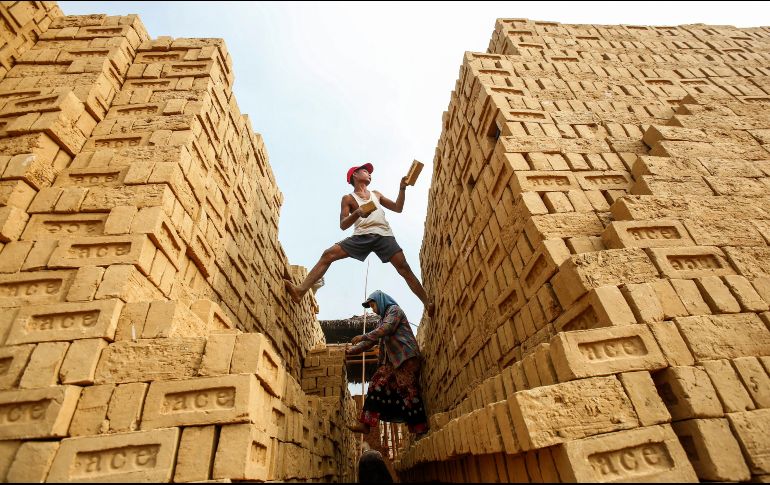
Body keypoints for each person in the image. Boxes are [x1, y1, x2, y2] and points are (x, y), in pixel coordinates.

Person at [283, 163, 435, 317]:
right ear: (354, 175)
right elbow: (343, 225)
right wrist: (357, 213)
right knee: (328, 254)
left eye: (369, 172)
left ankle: (427, 303)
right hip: (362, 235)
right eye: (365, 171)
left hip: (383, 235)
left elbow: (397, 207)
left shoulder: (376, 194)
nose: (369, 173)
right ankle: (300, 291)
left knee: (404, 268)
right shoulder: (348, 198)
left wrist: (402, 188)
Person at [346, 290, 429, 436]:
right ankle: (366, 424)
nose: (372, 309)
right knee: (376, 384)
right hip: (392, 363)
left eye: (373, 305)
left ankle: (419, 429)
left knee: (408, 392)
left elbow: (386, 329)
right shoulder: (381, 320)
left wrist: (362, 336)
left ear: (380, 301)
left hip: (406, 357)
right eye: (370, 306)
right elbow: (370, 341)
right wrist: (351, 351)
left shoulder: (394, 311)